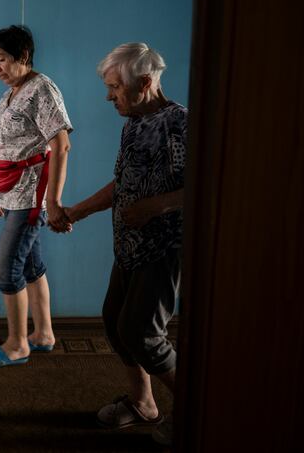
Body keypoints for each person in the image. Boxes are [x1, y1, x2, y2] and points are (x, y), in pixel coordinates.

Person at [63, 43, 186, 446]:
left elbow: (208, 184)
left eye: (115, 87)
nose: (108, 96)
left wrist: (156, 206)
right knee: (115, 323)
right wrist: (78, 210)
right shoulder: (133, 120)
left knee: (143, 334)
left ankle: (200, 411)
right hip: (129, 248)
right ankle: (144, 404)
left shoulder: (180, 123)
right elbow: (125, 185)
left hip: (163, 249)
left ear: (145, 83)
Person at [0, 25, 73, 368]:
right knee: (31, 266)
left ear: (23, 56)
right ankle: (43, 334)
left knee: (6, 272)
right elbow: (8, 147)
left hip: (32, 197)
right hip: (11, 192)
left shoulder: (41, 89)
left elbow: (60, 144)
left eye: (1, 58)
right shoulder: (11, 94)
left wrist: (52, 200)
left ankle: (17, 344)